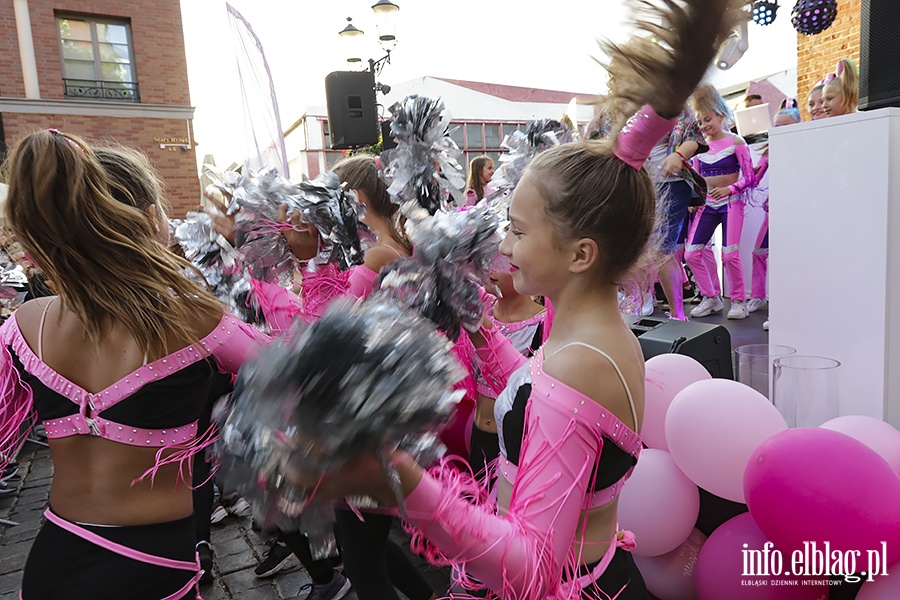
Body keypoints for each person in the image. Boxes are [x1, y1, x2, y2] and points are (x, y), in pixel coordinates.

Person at [0, 129, 266, 599]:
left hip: (52, 562)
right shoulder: (192, 316)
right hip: (150, 567)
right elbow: (304, 376)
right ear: (149, 219)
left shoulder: (25, 325)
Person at [685, 83, 756, 320]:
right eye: (700, 122)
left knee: (729, 254)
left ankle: (738, 301)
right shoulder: (698, 148)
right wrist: (694, 199)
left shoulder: (736, 142)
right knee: (691, 254)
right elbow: (696, 178)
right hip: (707, 205)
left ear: (720, 115)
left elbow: (750, 177)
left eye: (708, 119)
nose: (704, 126)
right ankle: (711, 297)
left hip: (732, 203)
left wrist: (729, 189)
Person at [470, 272, 546, 476]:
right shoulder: (477, 311)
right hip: (476, 437)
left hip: (512, 446)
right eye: (486, 257)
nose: (489, 269)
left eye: (501, 260)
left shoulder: (543, 323)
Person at [747, 106, 801, 329]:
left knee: (790, 260)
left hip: (797, 211)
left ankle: (787, 309)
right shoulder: (771, 152)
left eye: (785, 126)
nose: (779, 131)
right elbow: (755, 177)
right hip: (775, 210)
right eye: (776, 127)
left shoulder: (805, 148)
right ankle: (760, 296)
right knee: (760, 252)